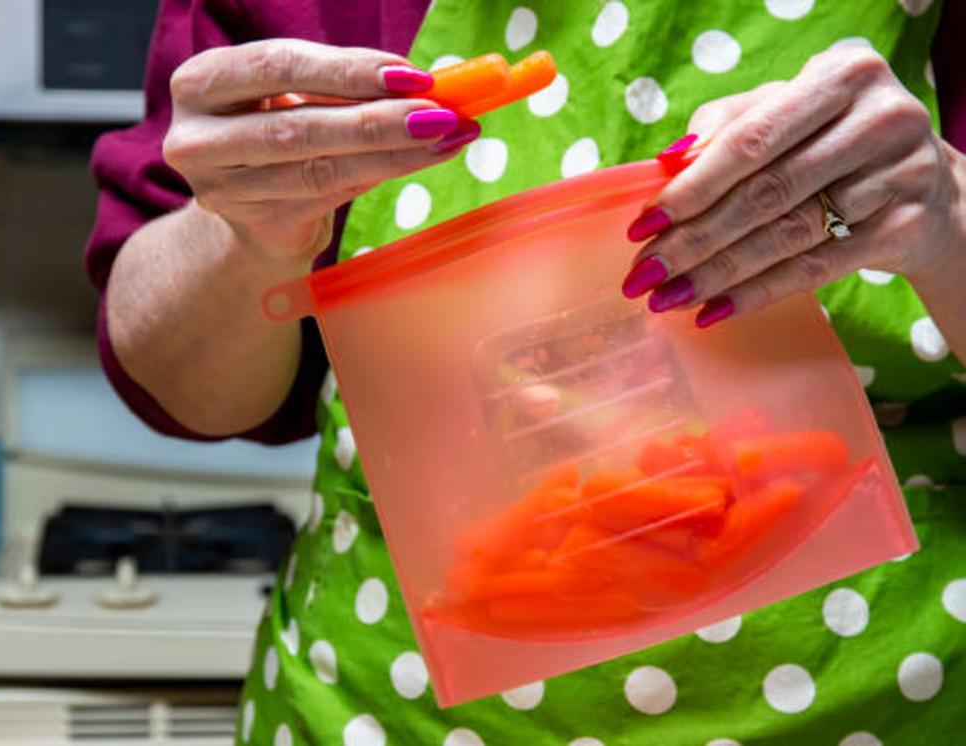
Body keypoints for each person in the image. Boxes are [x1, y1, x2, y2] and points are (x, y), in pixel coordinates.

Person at [85, 1, 966, 743]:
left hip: (887, 697)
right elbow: (191, 387)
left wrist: (945, 219)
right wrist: (247, 238)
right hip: (387, 708)